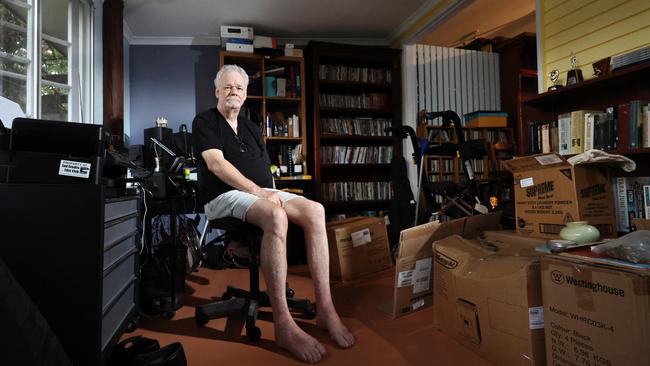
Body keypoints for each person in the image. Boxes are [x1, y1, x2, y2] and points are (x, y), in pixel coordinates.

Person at [192, 64, 355, 363]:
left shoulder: (252, 126)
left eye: (239, 88)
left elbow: (266, 171)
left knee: (315, 210)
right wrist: (259, 192)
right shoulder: (205, 121)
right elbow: (215, 164)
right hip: (223, 196)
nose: (234, 92)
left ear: (245, 93)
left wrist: (273, 192)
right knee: (276, 217)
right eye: (227, 87)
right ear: (217, 91)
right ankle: (283, 325)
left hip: (262, 192)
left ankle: (326, 310)